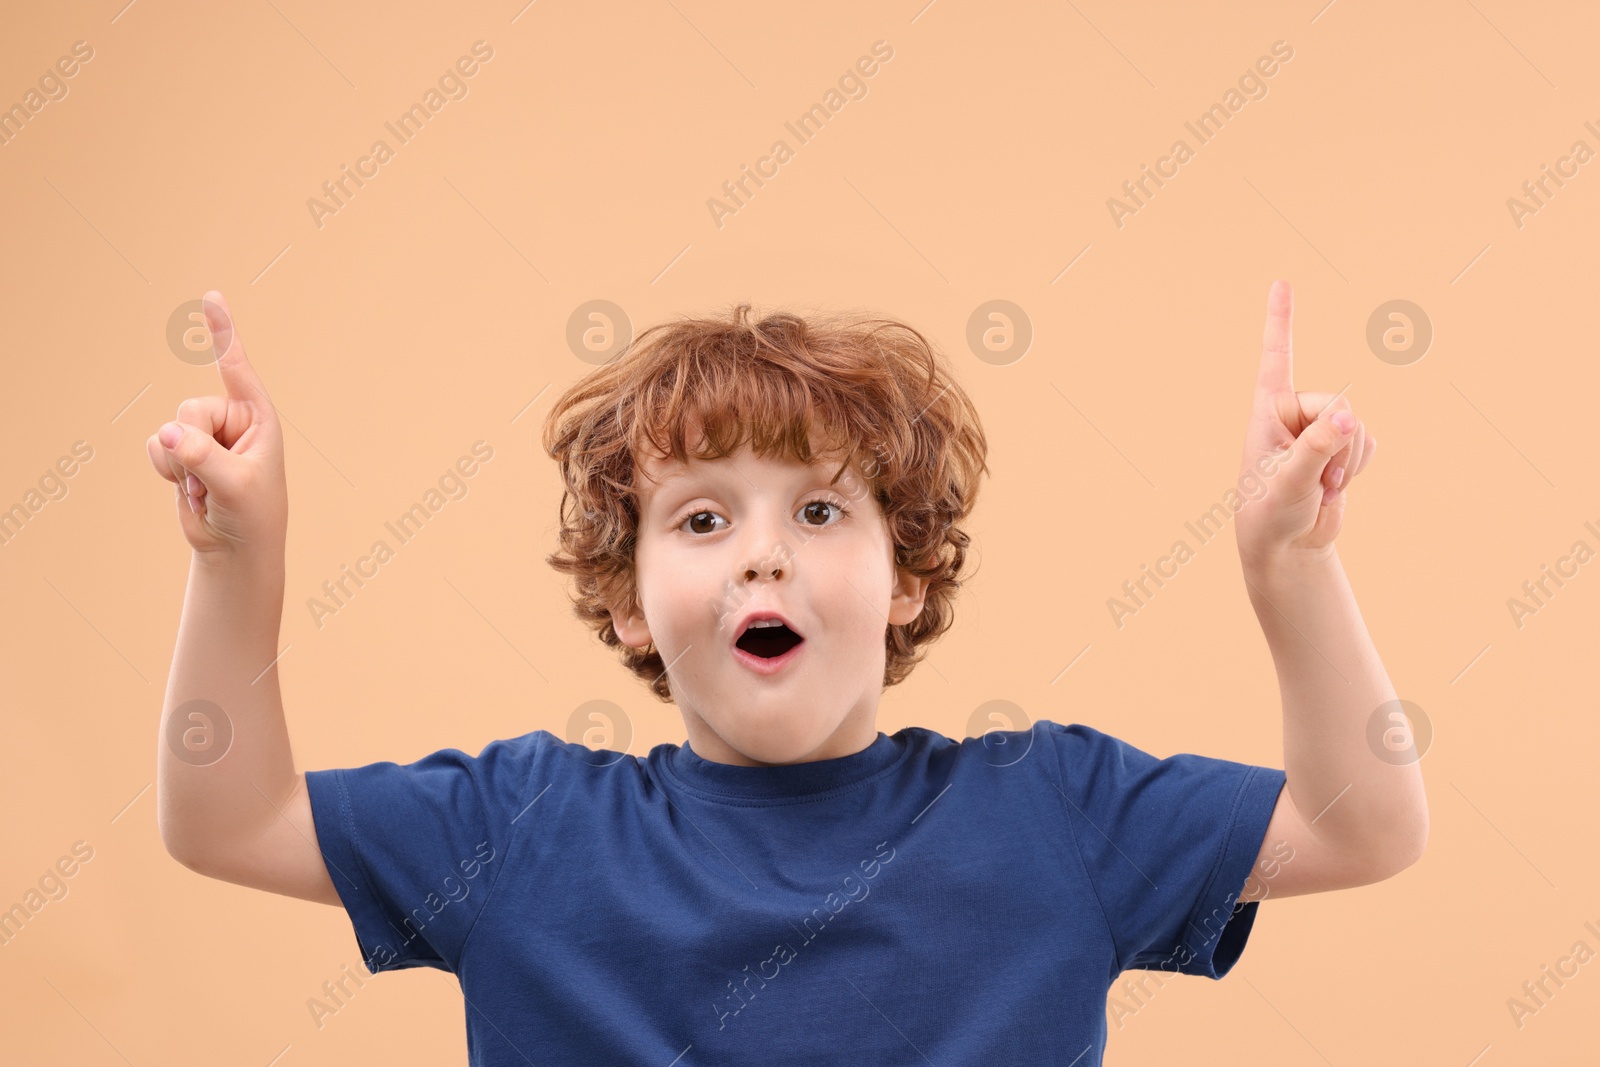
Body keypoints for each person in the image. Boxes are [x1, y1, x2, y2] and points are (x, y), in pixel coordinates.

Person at [148, 282, 1427, 1063]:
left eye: (819, 514)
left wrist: (1291, 567)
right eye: (702, 520)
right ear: (630, 600)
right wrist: (236, 556)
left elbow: (1363, 825)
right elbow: (229, 816)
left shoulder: (1057, 814)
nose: (762, 554)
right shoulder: (521, 827)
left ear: (907, 577)